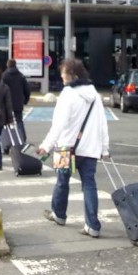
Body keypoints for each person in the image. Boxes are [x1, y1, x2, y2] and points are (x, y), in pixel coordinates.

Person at [37, 58, 109, 238]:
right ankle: (93, 225)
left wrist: (46, 146)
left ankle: (59, 215)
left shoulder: (67, 94)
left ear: (73, 76)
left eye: (63, 76)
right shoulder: (94, 95)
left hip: (65, 147)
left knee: (62, 181)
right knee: (89, 185)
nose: (62, 78)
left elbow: (58, 125)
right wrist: (104, 149)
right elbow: (102, 124)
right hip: (90, 149)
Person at [2, 58, 31, 151]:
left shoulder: (4, 76)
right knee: (19, 121)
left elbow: (1, 89)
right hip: (18, 102)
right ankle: (22, 139)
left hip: (7, 103)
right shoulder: (21, 76)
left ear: (7, 65)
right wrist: (25, 100)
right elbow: (27, 90)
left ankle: (8, 141)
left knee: (6, 122)